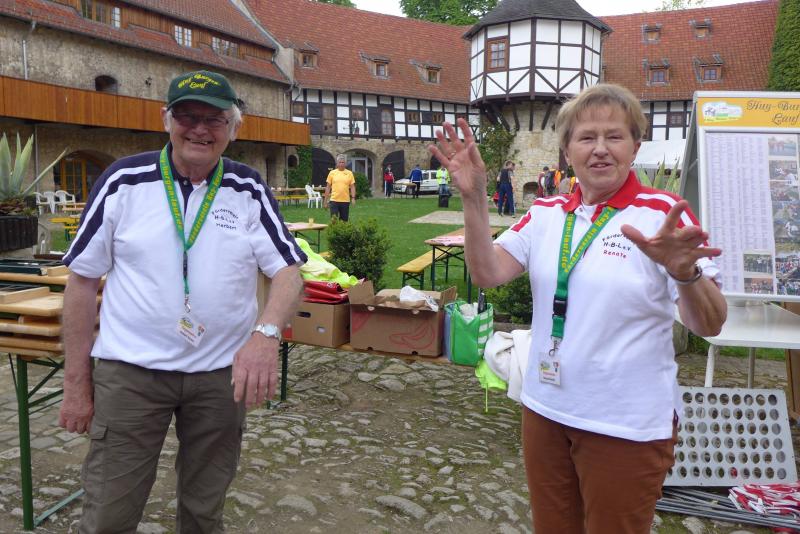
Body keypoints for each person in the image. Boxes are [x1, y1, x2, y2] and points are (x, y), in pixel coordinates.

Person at [430, 83, 727, 534]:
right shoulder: (547, 212)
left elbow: (711, 324)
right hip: (545, 409)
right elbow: (488, 272)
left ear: (635, 147)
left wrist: (685, 273)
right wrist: (474, 198)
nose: (600, 149)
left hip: (624, 424)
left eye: (614, 136)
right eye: (587, 137)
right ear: (567, 151)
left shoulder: (662, 214)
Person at [58, 70, 306, 533]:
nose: (200, 129)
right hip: (131, 375)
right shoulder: (123, 181)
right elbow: (82, 283)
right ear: (166, 120)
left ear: (234, 129)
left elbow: (289, 271)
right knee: (109, 513)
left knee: (204, 512)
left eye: (214, 119)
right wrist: (76, 384)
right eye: (188, 116)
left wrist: (266, 334)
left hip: (218, 377)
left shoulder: (248, 188)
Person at [324, 154, 356, 221]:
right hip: (334, 200)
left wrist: (353, 198)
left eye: (343, 162)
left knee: (344, 221)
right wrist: (325, 201)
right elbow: (328, 187)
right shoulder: (332, 173)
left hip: (345, 201)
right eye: (340, 162)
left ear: (345, 163)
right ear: (337, 163)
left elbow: (352, 187)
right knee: (334, 220)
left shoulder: (349, 173)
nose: (341, 164)